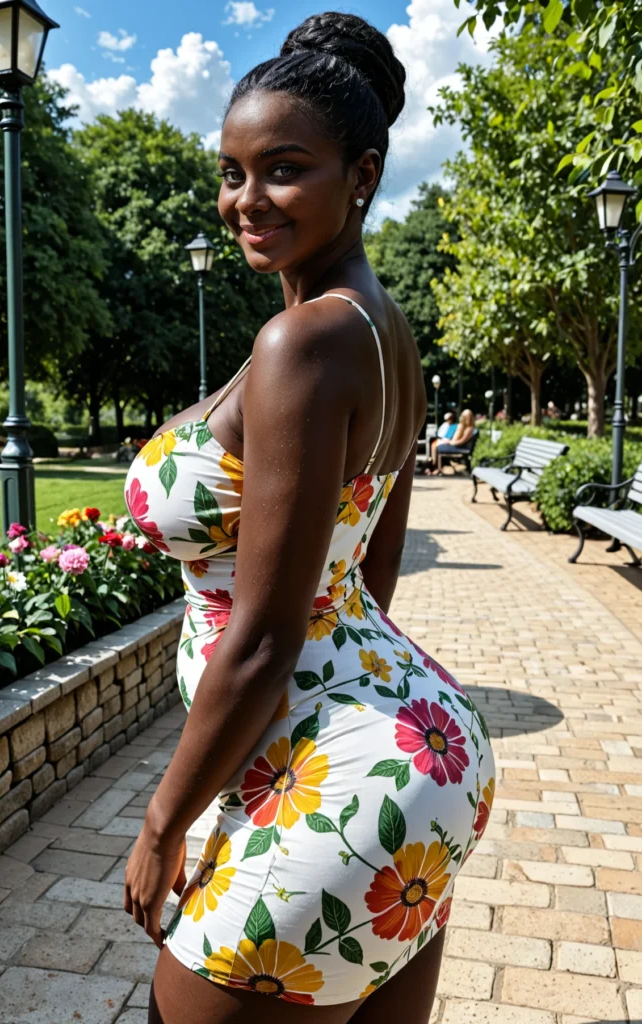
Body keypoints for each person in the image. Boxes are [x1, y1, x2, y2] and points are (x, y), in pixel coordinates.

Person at [123, 14, 494, 1023]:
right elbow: (364, 576)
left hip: (337, 773)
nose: (246, 200)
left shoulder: (301, 342)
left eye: (282, 169)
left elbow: (268, 634)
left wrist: (165, 823)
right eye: (232, 170)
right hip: (415, 748)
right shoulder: (380, 327)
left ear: (361, 175)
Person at [426, 409, 476, 475]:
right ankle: (433, 466)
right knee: (435, 444)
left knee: (436, 446)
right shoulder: (463, 427)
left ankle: (434, 467)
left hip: (458, 447)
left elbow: (461, 441)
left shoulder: (468, 428)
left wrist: (450, 442)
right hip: (455, 444)